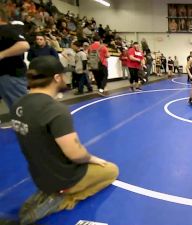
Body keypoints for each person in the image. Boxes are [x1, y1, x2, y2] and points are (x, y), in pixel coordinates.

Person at [10, 56, 119, 224]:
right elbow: (75, 154)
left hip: (39, 176)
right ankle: (64, 200)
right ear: (56, 78)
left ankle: (49, 192)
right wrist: (92, 159)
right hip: (64, 177)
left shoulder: (18, 104)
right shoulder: (55, 110)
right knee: (111, 170)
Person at [0, 7, 30, 128]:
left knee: (20, 106)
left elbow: (24, 45)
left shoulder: (5, 29)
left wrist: (2, 54)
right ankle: (23, 127)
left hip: (11, 75)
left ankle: (32, 129)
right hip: (4, 75)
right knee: (14, 105)